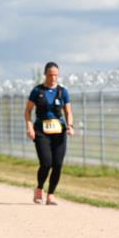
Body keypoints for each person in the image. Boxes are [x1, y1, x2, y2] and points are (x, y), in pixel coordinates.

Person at [25, 62, 74, 205]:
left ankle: (51, 194)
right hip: (41, 131)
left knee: (58, 164)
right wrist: (29, 126)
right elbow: (28, 111)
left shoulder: (63, 91)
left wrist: (70, 126)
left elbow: (68, 111)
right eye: (51, 75)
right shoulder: (37, 91)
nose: (53, 78)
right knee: (46, 163)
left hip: (59, 131)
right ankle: (39, 188)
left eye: (56, 75)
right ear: (45, 74)